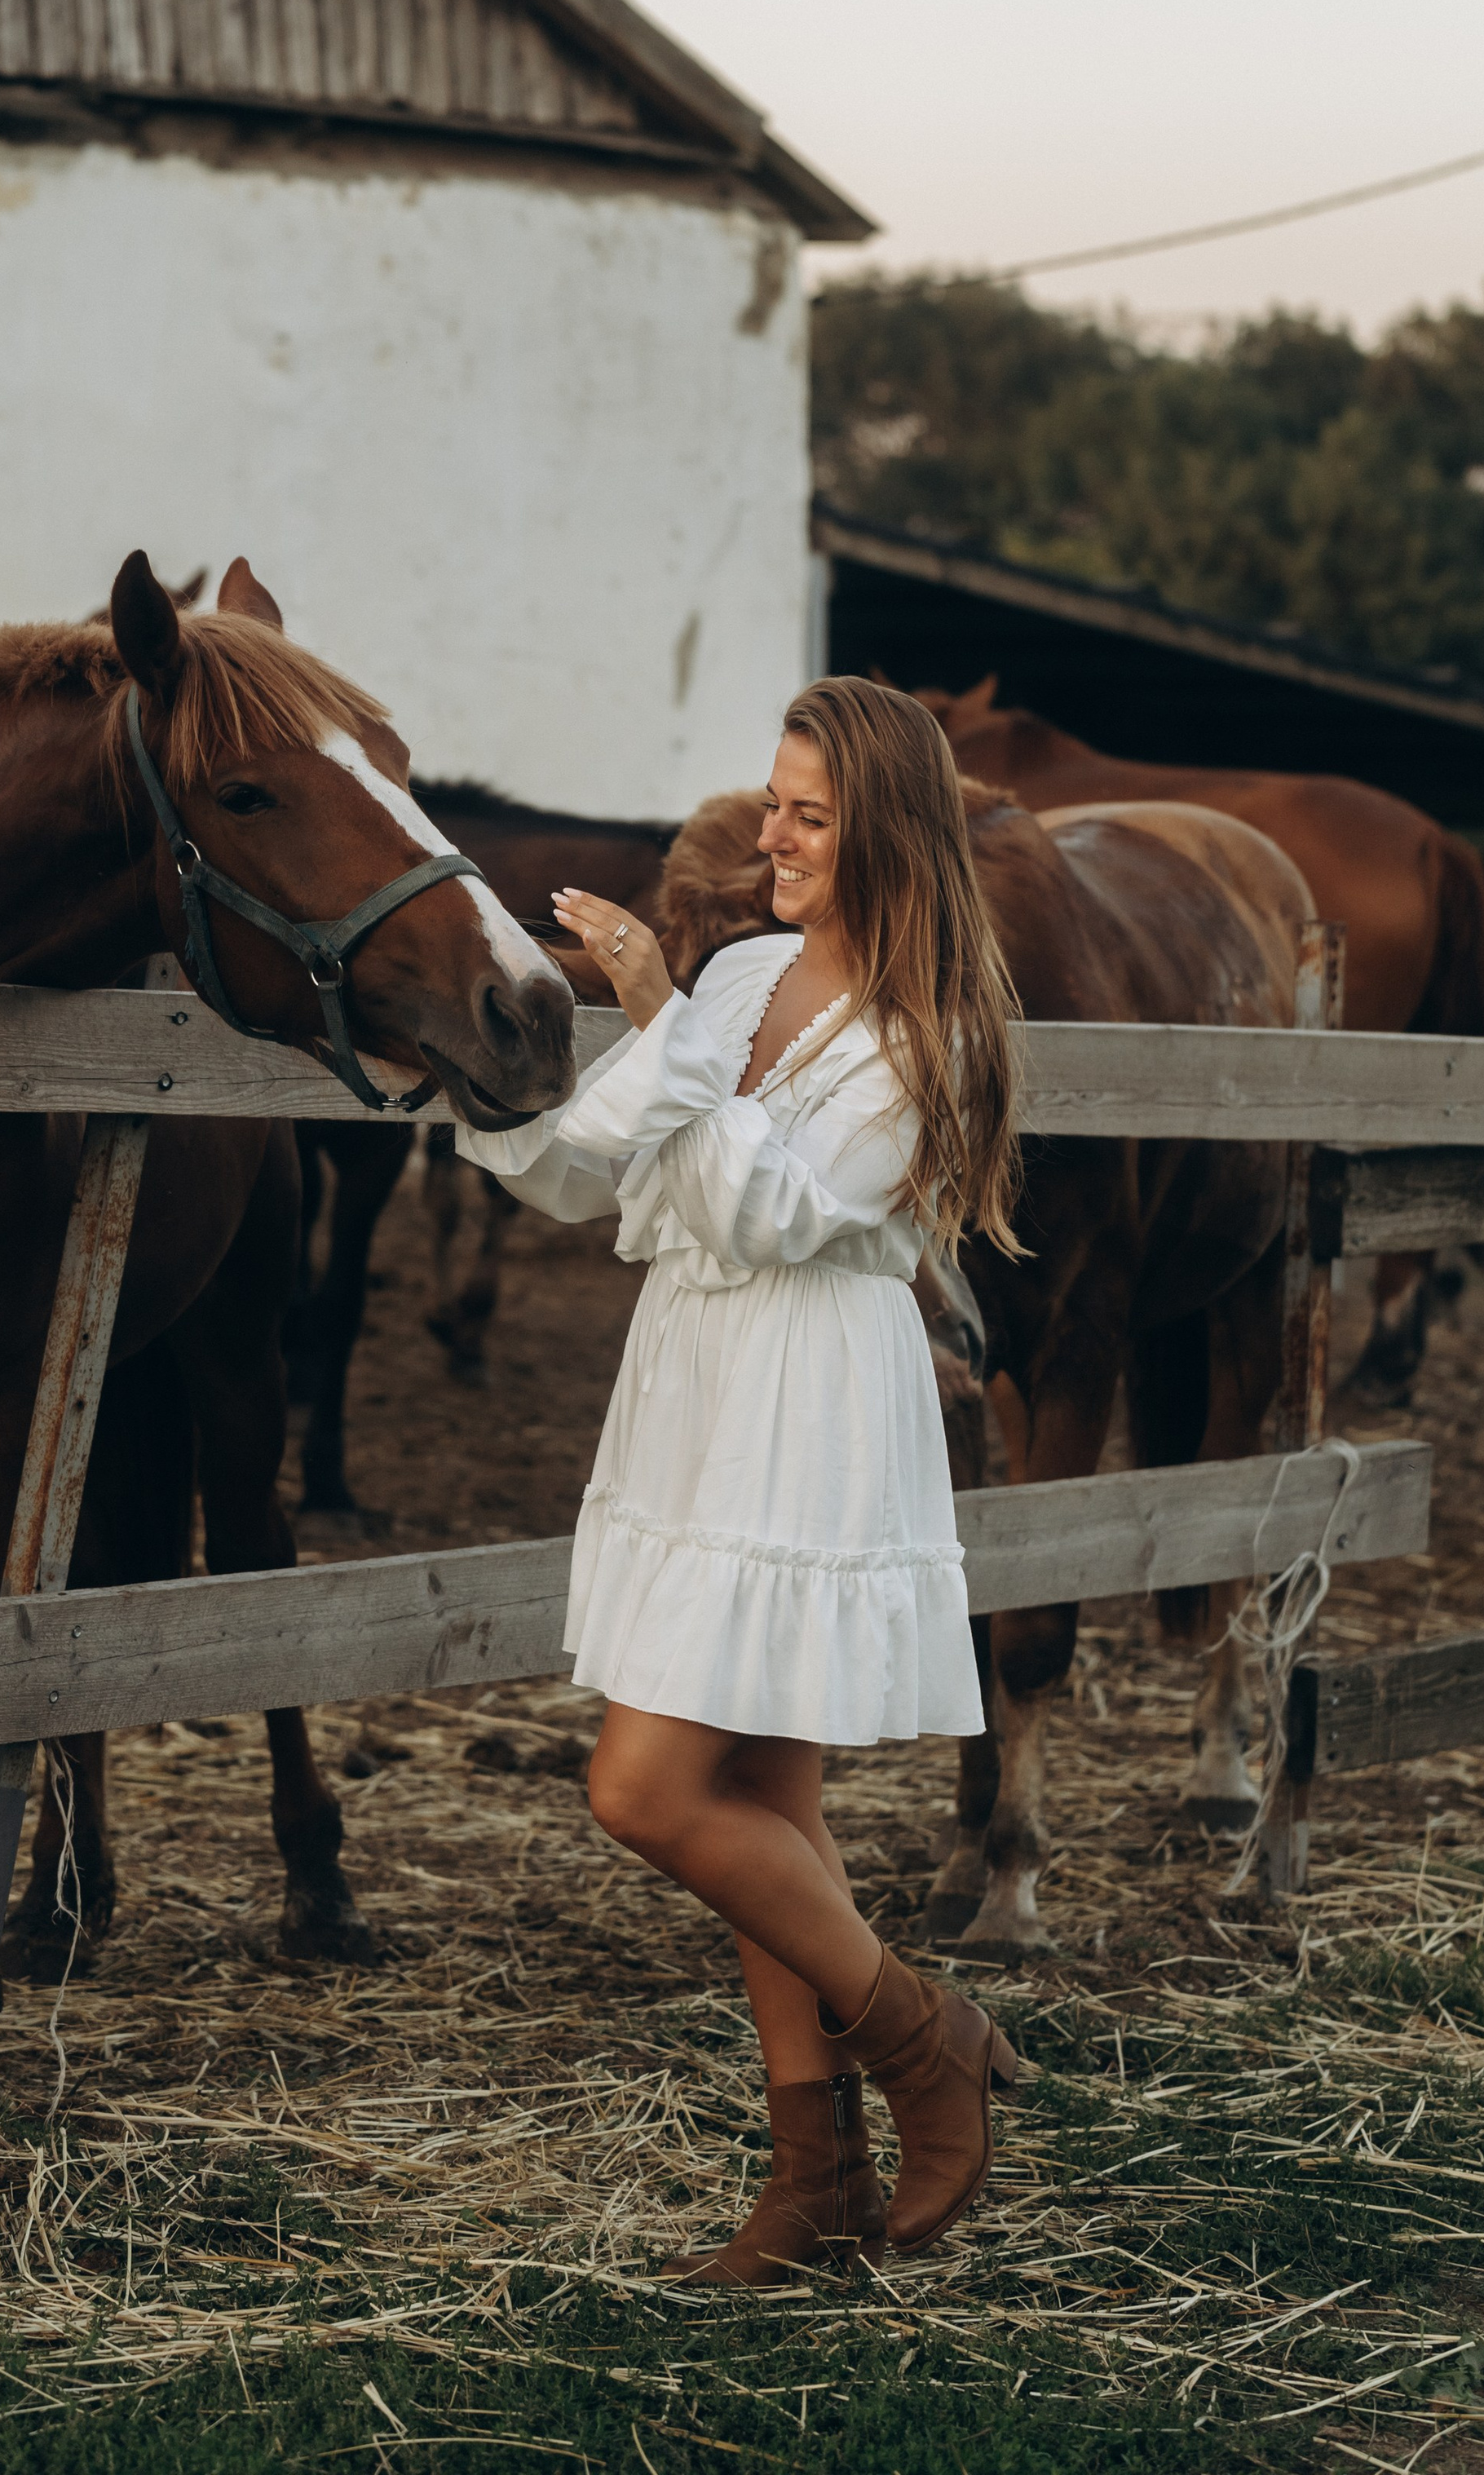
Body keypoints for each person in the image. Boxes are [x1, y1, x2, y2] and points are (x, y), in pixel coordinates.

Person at [457, 677, 1023, 2280]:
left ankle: (927, 2045)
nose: (763, 839)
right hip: (695, 1383)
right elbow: (597, 1163)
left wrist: (654, 1011)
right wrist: (470, 1064)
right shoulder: (749, 969)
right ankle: (812, 2183)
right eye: (767, 803)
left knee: (645, 1790)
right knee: (761, 1800)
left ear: (885, 833)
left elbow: (773, 1212)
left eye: (805, 816)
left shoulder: (941, 1029)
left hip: (807, 1397)